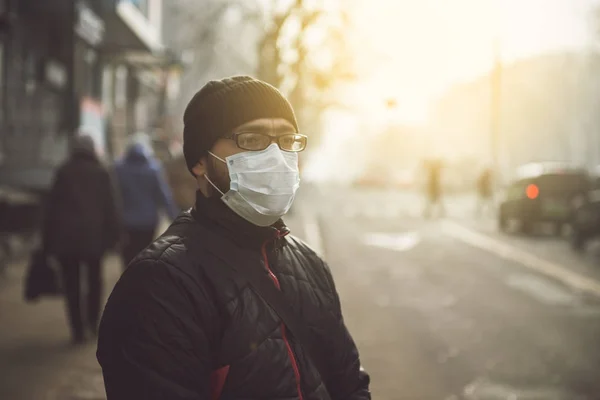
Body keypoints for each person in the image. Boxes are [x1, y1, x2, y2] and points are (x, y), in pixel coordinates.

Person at [97, 76, 371, 400]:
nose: (275, 155)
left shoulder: (310, 265)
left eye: (286, 140)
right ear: (201, 161)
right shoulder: (160, 284)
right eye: (252, 139)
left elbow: (349, 382)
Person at [43, 134, 120, 343]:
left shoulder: (63, 172)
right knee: (95, 280)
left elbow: (51, 208)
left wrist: (47, 241)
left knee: (71, 284)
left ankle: (77, 329)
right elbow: (110, 206)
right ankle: (93, 324)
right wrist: (114, 235)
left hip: (66, 238)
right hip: (94, 237)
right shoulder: (101, 172)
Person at [114, 138, 179, 267]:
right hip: (148, 222)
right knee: (145, 255)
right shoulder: (154, 168)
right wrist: (175, 217)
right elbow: (163, 194)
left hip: (127, 221)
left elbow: (114, 196)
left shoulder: (119, 169)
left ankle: (127, 281)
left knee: (128, 255)